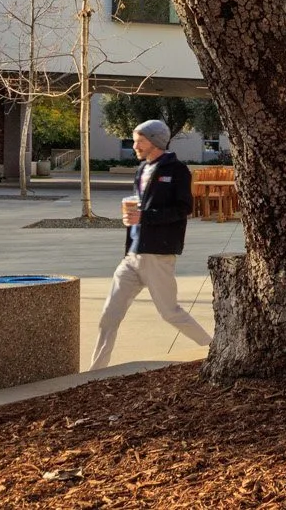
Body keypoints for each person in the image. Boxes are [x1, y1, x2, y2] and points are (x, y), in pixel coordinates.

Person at [90, 118, 211, 370]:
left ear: (154, 142)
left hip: (158, 254)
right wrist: (134, 217)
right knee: (109, 315)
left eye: (139, 141)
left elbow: (184, 208)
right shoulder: (142, 169)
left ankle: (214, 349)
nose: (134, 146)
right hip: (133, 255)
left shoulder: (176, 170)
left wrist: (147, 216)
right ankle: (95, 371)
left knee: (170, 313)